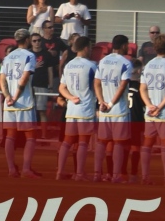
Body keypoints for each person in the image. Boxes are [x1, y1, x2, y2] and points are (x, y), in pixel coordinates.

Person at [138, 33, 165, 185]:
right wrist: (160, 107)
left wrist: (149, 105)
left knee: (147, 145)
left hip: (150, 112)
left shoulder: (148, 65)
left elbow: (142, 89)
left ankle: (145, 176)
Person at [93, 35, 135, 183]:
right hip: (118, 109)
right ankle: (116, 174)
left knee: (101, 142)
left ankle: (97, 173)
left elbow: (96, 83)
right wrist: (110, 103)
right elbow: (122, 86)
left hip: (104, 109)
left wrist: (101, 102)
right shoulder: (126, 63)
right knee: (118, 143)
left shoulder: (103, 61)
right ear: (123, 46)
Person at [56, 35, 98, 182]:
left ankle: (60, 172)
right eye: (90, 47)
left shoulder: (69, 65)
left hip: (72, 109)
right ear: (86, 48)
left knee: (67, 141)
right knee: (83, 142)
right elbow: (97, 86)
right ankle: (79, 173)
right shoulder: (91, 66)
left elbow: (61, 88)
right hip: (85, 108)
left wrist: (71, 97)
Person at [0, 28, 39, 177]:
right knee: (30, 136)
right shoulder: (30, 55)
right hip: (24, 101)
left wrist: (7, 96)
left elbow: (2, 79)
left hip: (9, 103)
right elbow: (25, 78)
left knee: (10, 135)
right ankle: (26, 169)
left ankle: (11, 169)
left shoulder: (8, 57)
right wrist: (15, 96)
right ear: (27, 39)